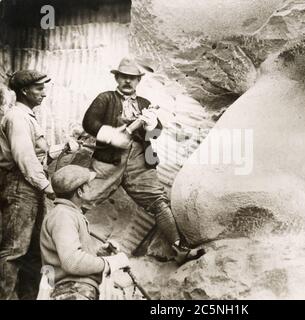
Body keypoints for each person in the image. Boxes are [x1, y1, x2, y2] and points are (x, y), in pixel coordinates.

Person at [81, 57, 204, 265]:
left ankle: (179, 249)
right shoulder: (105, 98)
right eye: (124, 77)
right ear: (117, 78)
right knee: (81, 201)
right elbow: (89, 122)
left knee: (158, 201)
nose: (127, 82)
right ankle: (71, 251)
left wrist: (151, 125)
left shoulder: (145, 104)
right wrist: (111, 136)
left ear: (138, 80)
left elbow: (156, 133)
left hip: (139, 161)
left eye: (132, 78)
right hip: (108, 161)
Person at [0, 70, 55, 300]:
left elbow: (37, 155)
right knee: (14, 251)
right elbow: (24, 158)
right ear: (24, 91)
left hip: (30, 187)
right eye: (39, 88)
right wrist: (48, 187)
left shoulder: (28, 116)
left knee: (34, 251)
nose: (44, 93)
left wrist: (64, 149)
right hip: (19, 187)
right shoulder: (17, 117)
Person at [40, 165, 131, 300]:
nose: (92, 186)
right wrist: (110, 263)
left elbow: (69, 255)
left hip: (75, 290)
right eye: (88, 184)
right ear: (80, 191)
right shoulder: (63, 216)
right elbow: (72, 261)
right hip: (72, 291)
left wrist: (99, 253)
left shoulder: (70, 213)